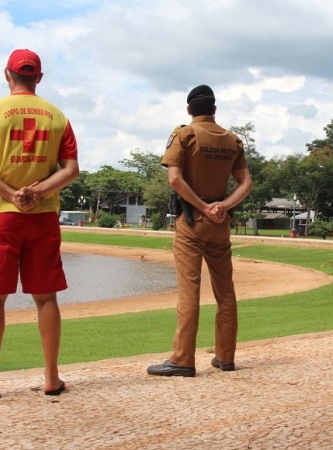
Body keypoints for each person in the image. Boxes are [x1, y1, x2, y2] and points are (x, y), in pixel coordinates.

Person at [0, 49, 80, 399]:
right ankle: (51, 378)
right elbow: (71, 169)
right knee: (46, 298)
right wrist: (38, 191)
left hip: (1, 215)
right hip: (42, 217)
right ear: (39, 78)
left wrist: (11, 194)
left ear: (7, 75)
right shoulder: (58, 116)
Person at [147, 85, 252, 377]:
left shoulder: (185, 135)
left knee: (189, 291)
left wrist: (204, 208)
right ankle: (225, 356)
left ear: (189, 110)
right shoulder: (232, 140)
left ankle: (182, 359)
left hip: (192, 222)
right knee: (225, 291)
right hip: (221, 226)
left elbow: (175, 180)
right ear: (214, 110)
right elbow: (245, 184)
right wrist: (223, 206)